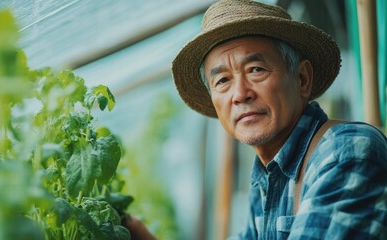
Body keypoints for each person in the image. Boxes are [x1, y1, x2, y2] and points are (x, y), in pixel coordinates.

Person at [128, 0, 387, 239]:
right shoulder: (269, 175)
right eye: (222, 81)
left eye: (256, 70)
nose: (240, 94)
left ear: (302, 79)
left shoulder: (345, 152)